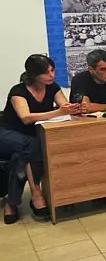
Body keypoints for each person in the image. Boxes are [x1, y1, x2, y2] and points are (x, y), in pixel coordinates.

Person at [0, 55, 81, 223]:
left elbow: (63, 106)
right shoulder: (18, 91)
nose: (51, 75)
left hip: (31, 137)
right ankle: (37, 194)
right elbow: (26, 117)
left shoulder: (53, 87)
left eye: (52, 71)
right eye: (46, 73)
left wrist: (73, 109)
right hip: (8, 133)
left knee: (20, 156)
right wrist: (58, 113)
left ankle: (11, 203)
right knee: (30, 145)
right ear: (34, 74)